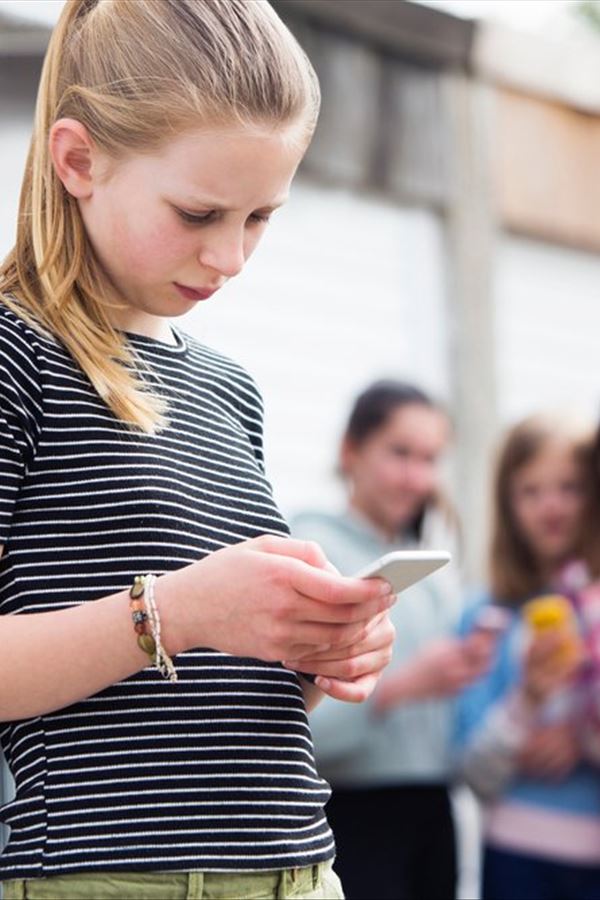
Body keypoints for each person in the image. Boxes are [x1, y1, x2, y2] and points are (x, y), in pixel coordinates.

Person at [0, 2, 398, 898]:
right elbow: (168, 626)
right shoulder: (11, 353)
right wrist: (172, 612)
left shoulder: (229, 387)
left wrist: (316, 651)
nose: (231, 257)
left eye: (261, 216)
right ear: (77, 161)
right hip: (109, 877)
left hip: (302, 870)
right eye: (199, 212)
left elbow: (208, 699)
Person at [291, 380, 494, 900]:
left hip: (432, 812)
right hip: (351, 815)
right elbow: (288, 723)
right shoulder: (310, 553)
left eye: (430, 459)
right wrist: (401, 688)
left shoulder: (431, 570)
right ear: (350, 451)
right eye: (400, 453)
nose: (416, 477)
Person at [455, 414, 600, 900]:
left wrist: (581, 739)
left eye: (569, 488)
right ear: (507, 502)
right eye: (530, 491)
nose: (551, 506)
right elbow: (473, 775)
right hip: (517, 860)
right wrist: (528, 698)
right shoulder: (487, 616)